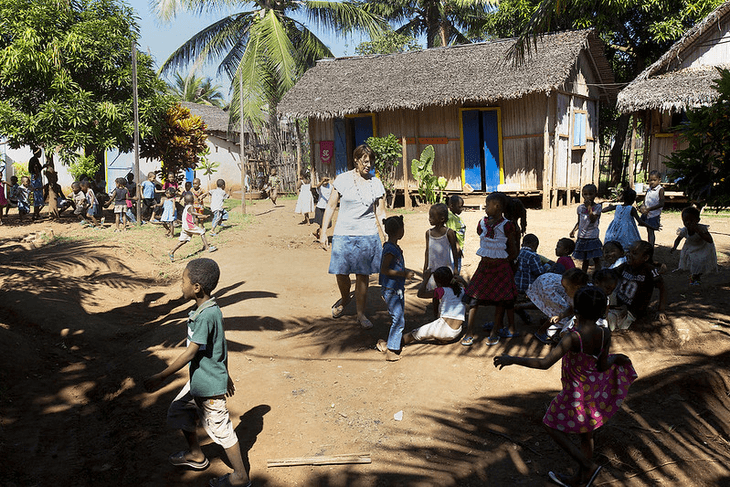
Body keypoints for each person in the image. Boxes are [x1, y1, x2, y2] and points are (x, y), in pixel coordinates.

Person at [494, 286, 637, 487]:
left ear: (576, 309)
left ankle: (587, 466)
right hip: (592, 390)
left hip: (575, 393)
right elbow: (603, 365)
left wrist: (512, 359)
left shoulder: (572, 337)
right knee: (586, 434)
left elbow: (545, 364)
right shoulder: (605, 333)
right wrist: (617, 359)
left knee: (549, 425)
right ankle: (582, 478)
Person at [144, 258, 251, 487]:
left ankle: (240, 476)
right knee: (180, 408)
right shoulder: (204, 309)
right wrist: (226, 373)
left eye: (183, 281)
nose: (180, 285)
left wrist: (161, 376)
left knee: (221, 429)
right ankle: (196, 455)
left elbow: (190, 353)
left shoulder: (206, 315)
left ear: (196, 287)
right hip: (200, 380)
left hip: (209, 385)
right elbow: (220, 345)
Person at [319, 144, 386, 329]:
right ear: (356, 160)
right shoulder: (342, 179)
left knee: (363, 275)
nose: (368, 165)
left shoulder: (376, 183)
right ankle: (344, 298)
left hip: (367, 234)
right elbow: (331, 206)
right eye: (365, 161)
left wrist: (386, 233)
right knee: (341, 273)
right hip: (343, 233)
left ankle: (361, 314)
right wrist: (324, 232)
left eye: (371, 161)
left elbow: (380, 211)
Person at [461, 192, 519, 346]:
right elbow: (483, 238)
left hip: (501, 267)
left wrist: (505, 261)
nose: (485, 207)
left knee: (500, 300)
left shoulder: (507, 225)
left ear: (497, 206)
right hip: (484, 267)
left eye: (487, 205)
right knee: (474, 298)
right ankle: (469, 330)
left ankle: (494, 330)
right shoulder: (482, 223)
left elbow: (512, 249)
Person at [375, 216, 415, 361]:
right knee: (398, 319)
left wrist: (404, 272)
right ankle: (391, 350)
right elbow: (384, 269)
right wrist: (403, 273)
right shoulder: (390, 249)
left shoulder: (393, 247)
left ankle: (388, 344)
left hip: (396, 289)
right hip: (391, 289)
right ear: (399, 231)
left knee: (398, 317)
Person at [408, 266, 467, 345]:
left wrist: (426, 279)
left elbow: (420, 294)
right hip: (456, 332)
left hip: (443, 330)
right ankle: (442, 337)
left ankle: (393, 345)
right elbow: (471, 293)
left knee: (412, 335)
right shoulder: (461, 289)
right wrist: (463, 281)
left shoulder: (441, 290)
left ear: (437, 282)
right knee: (438, 300)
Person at [530, 268, 589, 345]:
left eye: (566, 288)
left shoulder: (586, 297)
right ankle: (542, 331)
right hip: (546, 286)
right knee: (560, 312)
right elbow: (571, 309)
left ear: (577, 287)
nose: (564, 291)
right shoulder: (573, 294)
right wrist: (560, 316)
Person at [614, 241, 666, 321]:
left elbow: (662, 288)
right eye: (628, 251)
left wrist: (661, 310)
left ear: (645, 258)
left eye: (634, 253)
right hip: (619, 303)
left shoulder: (649, 271)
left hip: (635, 311)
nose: (629, 255)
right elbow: (611, 273)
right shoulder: (626, 266)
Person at [671, 206, 717, 285]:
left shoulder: (701, 229)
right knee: (693, 262)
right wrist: (674, 247)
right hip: (690, 248)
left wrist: (699, 232)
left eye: (691, 220)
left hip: (702, 248)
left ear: (697, 220)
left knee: (700, 263)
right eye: (685, 221)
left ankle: (697, 276)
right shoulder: (684, 230)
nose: (688, 223)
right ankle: (694, 277)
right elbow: (678, 239)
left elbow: (709, 240)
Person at [170, 194, 216, 261]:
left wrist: (203, 216)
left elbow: (194, 215)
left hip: (185, 227)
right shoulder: (191, 207)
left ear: (185, 201)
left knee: (183, 241)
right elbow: (193, 213)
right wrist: (202, 215)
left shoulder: (186, 208)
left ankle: (172, 252)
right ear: (193, 200)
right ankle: (207, 247)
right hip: (189, 226)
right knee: (202, 232)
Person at [423, 203, 459, 290]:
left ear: (442, 219)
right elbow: (427, 251)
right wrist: (425, 267)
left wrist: (456, 268)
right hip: (432, 269)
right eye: (429, 216)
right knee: (434, 292)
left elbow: (454, 250)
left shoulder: (449, 233)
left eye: (432, 217)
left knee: (446, 291)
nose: (429, 219)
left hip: (445, 269)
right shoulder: (429, 233)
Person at [570, 184, 603, 273]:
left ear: (595, 194)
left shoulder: (598, 207)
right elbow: (579, 221)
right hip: (582, 237)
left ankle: (598, 276)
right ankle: (583, 276)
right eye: (585, 194)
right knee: (585, 260)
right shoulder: (580, 208)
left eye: (590, 194)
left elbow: (592, 219)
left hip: (592, 237)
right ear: (582, 195)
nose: (588, 196)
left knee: (596, 259)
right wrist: (573, 230)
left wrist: (589, 208)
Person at [603, 187, 645, 253]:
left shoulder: (618, 207)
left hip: (615, 229)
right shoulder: (631, 209)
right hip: (627, 230)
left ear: (623, 198)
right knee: (628, 245)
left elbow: (604, 210)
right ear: (633, 200)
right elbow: (640, 221)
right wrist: (651, 226)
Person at [639, 170, 665, 246]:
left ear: (659, 180)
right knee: (648, 230)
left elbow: (661, 203)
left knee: (651, 231)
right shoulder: (648, 189)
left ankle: (651, 246)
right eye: (650, 180)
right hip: (647, 214)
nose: (652, 182)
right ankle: (650, 244)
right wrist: (642, 207)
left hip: (654, 214)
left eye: (654, 180)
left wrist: (650, 209)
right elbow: (645, 199)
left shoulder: (660, 190)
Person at [446, 195, 466, 273]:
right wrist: (457, 247)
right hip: (454, 247)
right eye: (460, 207)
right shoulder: (450, 217)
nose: (462, 209)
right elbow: (452, 233)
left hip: (459, 246)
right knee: (455, 266)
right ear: (451, 206)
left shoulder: (456, 217)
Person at [28, 148, 44, 220]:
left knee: (36, 196)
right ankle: (36, 214)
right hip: (36, 179)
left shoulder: (32, 159)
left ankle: (36, 213)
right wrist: (37, 175)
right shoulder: (35, 160)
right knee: (37, 196)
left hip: (35, 178)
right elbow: (36, 168)